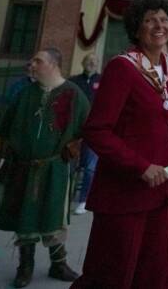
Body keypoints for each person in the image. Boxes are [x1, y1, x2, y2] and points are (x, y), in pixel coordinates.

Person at [73, 0, 168, 288]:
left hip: (160, 193)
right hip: (124, 193)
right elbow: (96, 130)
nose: (159, 25)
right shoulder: (122, 68)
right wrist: (140, 166)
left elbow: (166, 124)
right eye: (149, 20)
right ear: (136, 29)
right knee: (113, 273)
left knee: (152, 273)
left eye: (163, 19)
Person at [0, 47, 89, 287]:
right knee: (24, 214)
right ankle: (25, 265)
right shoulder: (26, 93)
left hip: (54, 166)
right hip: (23, 166)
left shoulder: (73, 94)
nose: (32, 65)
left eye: (37, 61)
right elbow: (7, 127)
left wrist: (73, 149)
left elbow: (88, 128)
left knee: (53, 214)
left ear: (54, 64)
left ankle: (59, 263)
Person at [70, 52, 100, 215]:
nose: (91, 63)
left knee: (90, 167)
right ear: (82, 63)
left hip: (94, 130)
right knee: (69, 165)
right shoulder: (73, 81)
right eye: (88, 60)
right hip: (74, 129)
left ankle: (84, 200)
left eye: (94, 61)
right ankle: (65, 196)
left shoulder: (103, 81)